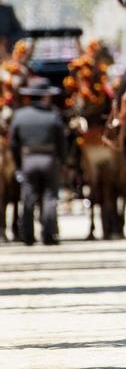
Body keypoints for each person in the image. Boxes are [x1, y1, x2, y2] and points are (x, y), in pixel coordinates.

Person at [10, 77, 68, 246]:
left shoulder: (19, 116)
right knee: (50, 196)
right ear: (45, 96)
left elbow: (14, 143)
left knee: (27, 197)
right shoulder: (53, 115)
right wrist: (63, 161)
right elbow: (61, 141)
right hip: (49, 159)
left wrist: (19, 163)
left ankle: (27, 235)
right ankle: (48, 234)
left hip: (28, 159)